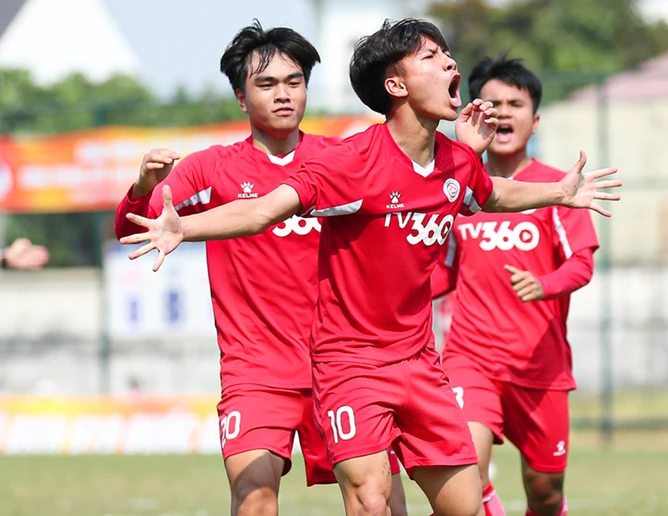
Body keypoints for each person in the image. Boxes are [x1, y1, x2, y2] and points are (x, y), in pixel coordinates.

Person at [120, 19, 621, 516]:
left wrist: (560, 192)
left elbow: (487, 194)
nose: (450, 63)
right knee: (331, 498)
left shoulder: (439, 160)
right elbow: (257, 211)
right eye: (431, 57)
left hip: (413, 362)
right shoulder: (338, 162)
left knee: (461, 505)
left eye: (295, 81)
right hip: (322, 366)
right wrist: (177, 221)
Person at [114, 22, 407, 516]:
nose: (284, 94)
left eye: (294, 82)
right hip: (257, 371)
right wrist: (145, 187)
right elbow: (131, 229)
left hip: (344, 366)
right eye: (267, 84)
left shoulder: (340, 160)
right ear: (240, 97)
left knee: (375, 503)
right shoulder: (211, 168)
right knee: (255, 499)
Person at [432, 54, 599, 516]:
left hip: (539, 367)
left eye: (515, 103)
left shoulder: (556, 188)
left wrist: (543, 285)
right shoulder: (458, 187)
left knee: (544, 494)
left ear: (535, 117)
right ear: (473, 113)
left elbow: (582, 265)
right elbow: (442, 270)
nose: (503, 112)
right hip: (471, 359)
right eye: (492, 102)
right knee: (468, 470)